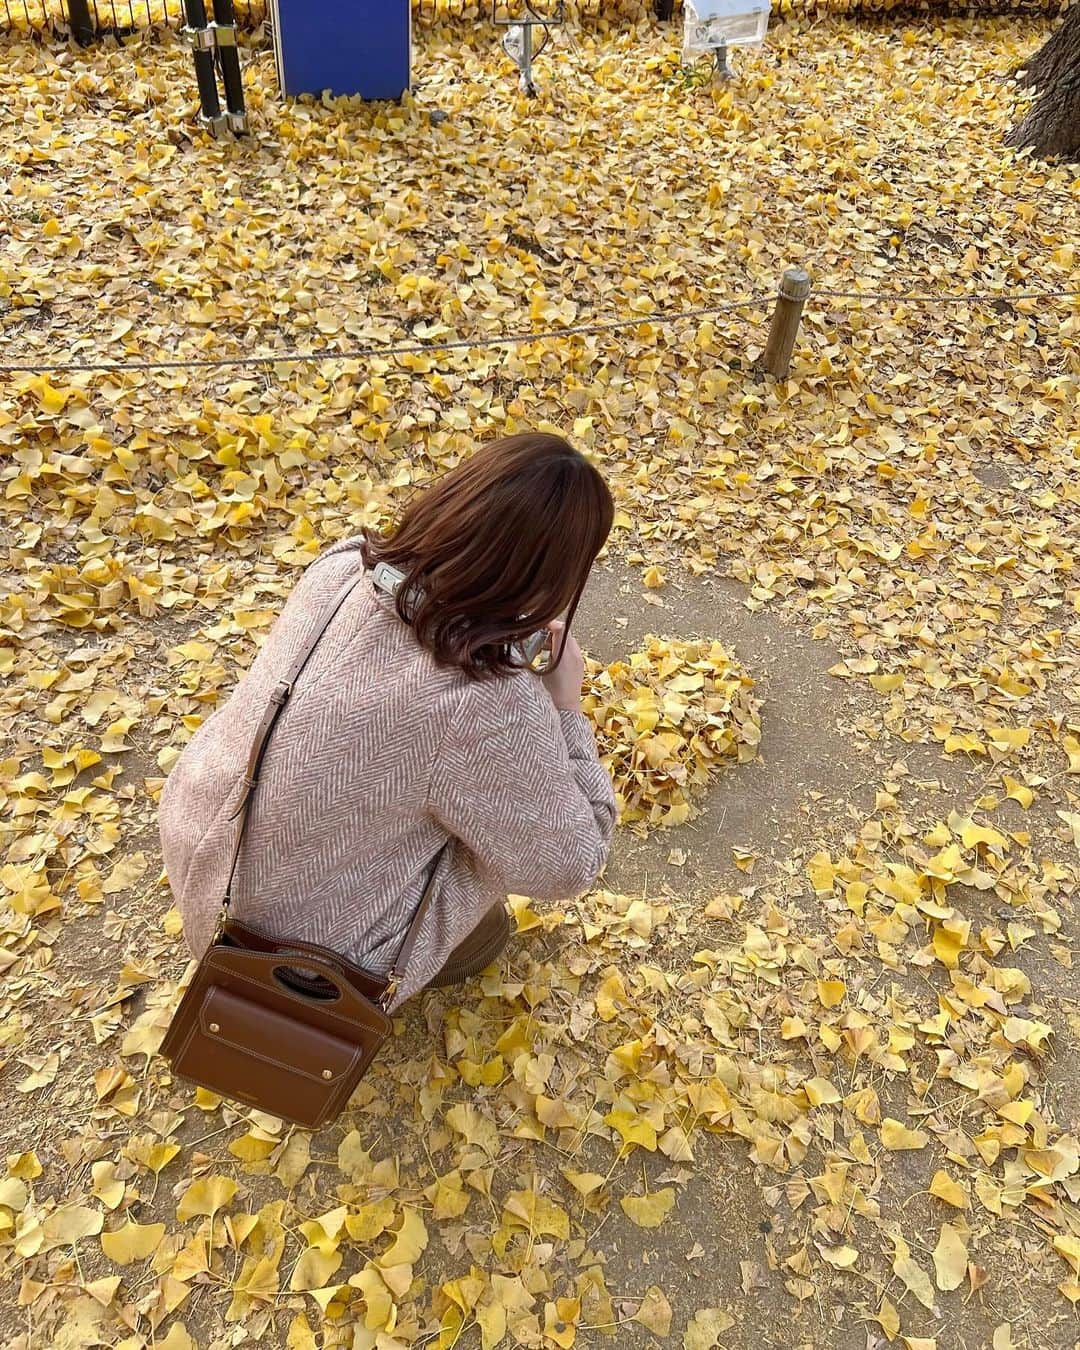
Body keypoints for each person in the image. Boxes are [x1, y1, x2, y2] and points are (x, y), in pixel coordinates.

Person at [158, 432, 617, 1007]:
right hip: (299, 967)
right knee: (490, 905)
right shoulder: (482, 697)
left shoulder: (342, 567)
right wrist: (564, 707)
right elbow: (570, 865)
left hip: (204, 866)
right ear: (552, 579)